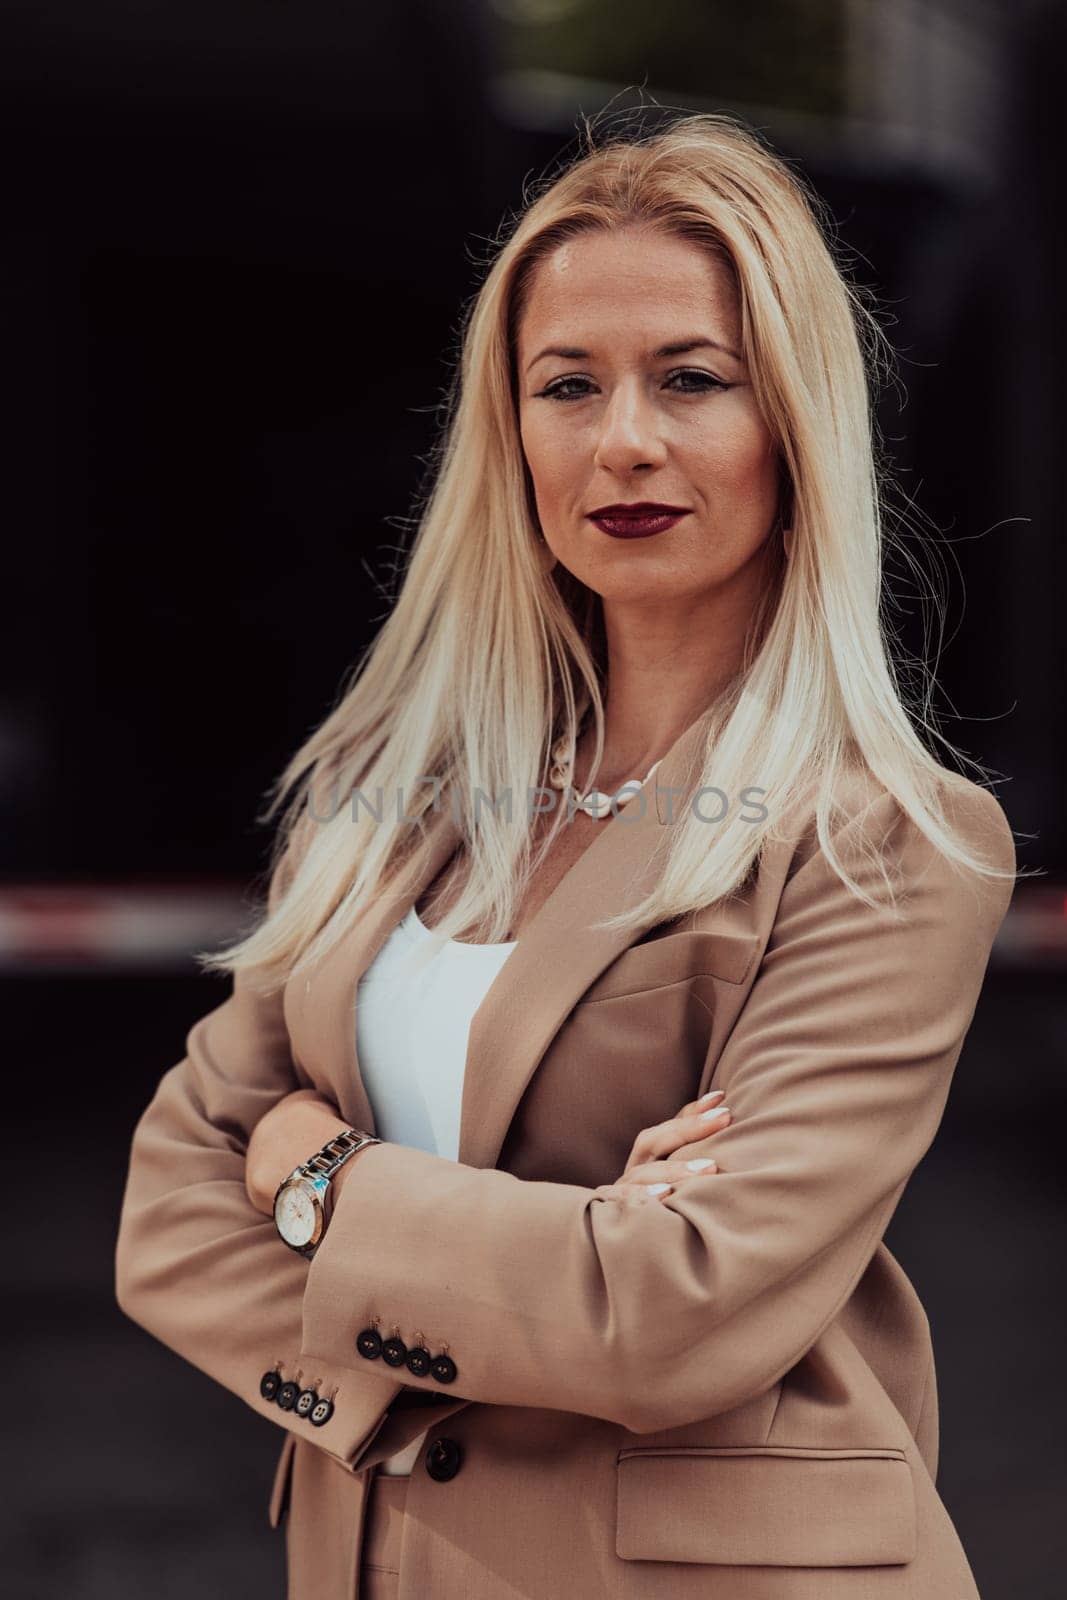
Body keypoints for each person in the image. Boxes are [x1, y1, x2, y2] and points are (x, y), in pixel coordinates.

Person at [115, 110, 1019, 1600]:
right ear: (509, 430)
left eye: (692, 380)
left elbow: (682, 1310)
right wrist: (548, 1272)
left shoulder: (885, 841)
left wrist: (320, 1179)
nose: (625, 441)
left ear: (792, 418)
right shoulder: (388, 798)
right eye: (567, 385)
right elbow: (165, 1209)